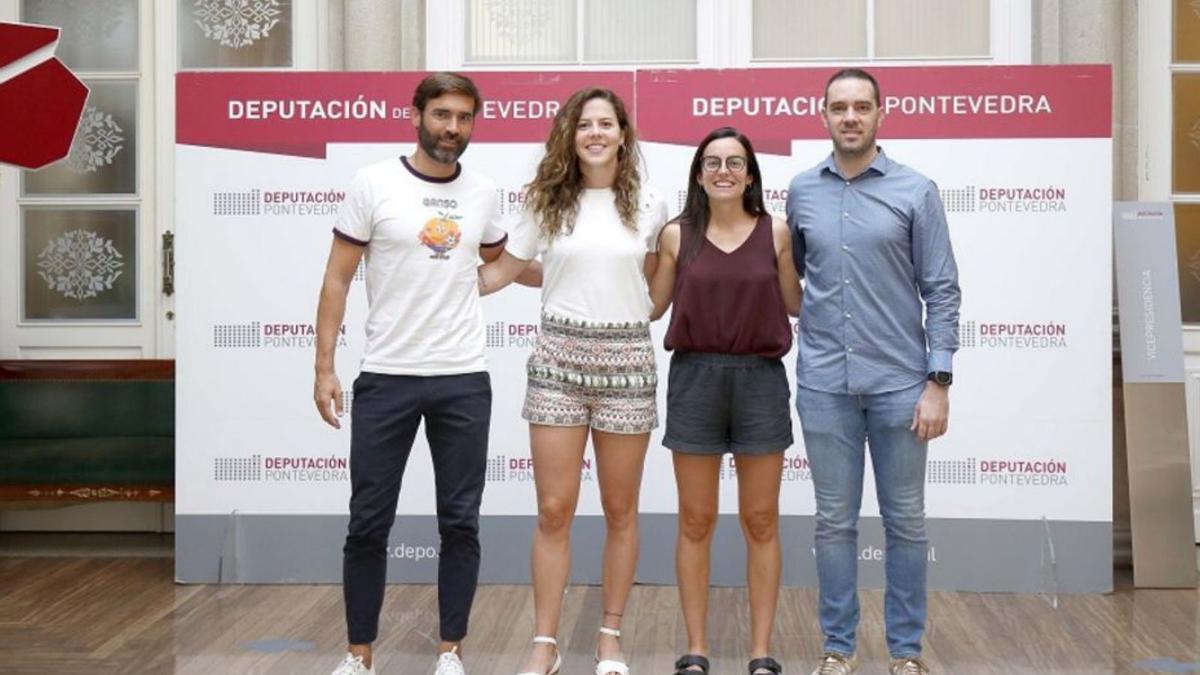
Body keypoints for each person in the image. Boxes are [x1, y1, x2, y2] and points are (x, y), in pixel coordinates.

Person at [314, 72, 510, 675]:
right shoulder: (372, 183)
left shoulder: (483, 192)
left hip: (463, 379)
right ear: (417, 116)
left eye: (464, 118)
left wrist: (563, 268)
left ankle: (450, 651)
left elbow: (501, 261)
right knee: (368, 521)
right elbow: (337, 279)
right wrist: (324, 366)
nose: (453, 128)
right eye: (442, 115)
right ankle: (359, 654)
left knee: (460, 521)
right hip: (386, 378)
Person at [476, 87, 668, 675]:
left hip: (627, 365)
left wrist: (633, 323)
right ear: (570, 135)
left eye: (606, 124)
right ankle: (544, 643)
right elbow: (502, 272)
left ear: (623, 135)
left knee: (620, 510)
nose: (595, 133)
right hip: (557, 361)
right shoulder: (546, 204)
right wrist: (427, 268)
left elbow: (657, 293)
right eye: (584, 124)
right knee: (554, 510)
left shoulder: (652, 205)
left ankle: (609, 636)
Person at [786, 68, 961, 675]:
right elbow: (800, 281)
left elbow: (941, 290)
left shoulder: (917, 191)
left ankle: (906, 654)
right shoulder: (802, 191)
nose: (851, 117)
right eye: (840, 107)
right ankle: (838, 650)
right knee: (833, 522)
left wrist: (937, 382)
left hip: (901, 386)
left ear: (881, 113)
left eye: (862, 107)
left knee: (906, 522)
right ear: (825, 114)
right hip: (824, 385)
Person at [647, 127, 801, 675]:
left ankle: (761, 652)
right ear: (697, 174)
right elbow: (649, 307)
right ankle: (697, 650)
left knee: (760, 520)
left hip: (760, 381)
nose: (723, 171)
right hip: (695, 380)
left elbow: (797, 303)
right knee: (696, 520)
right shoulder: (674, 235)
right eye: (712, 162)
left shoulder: (777, 232)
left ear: (752, 174)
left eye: (735, 162)